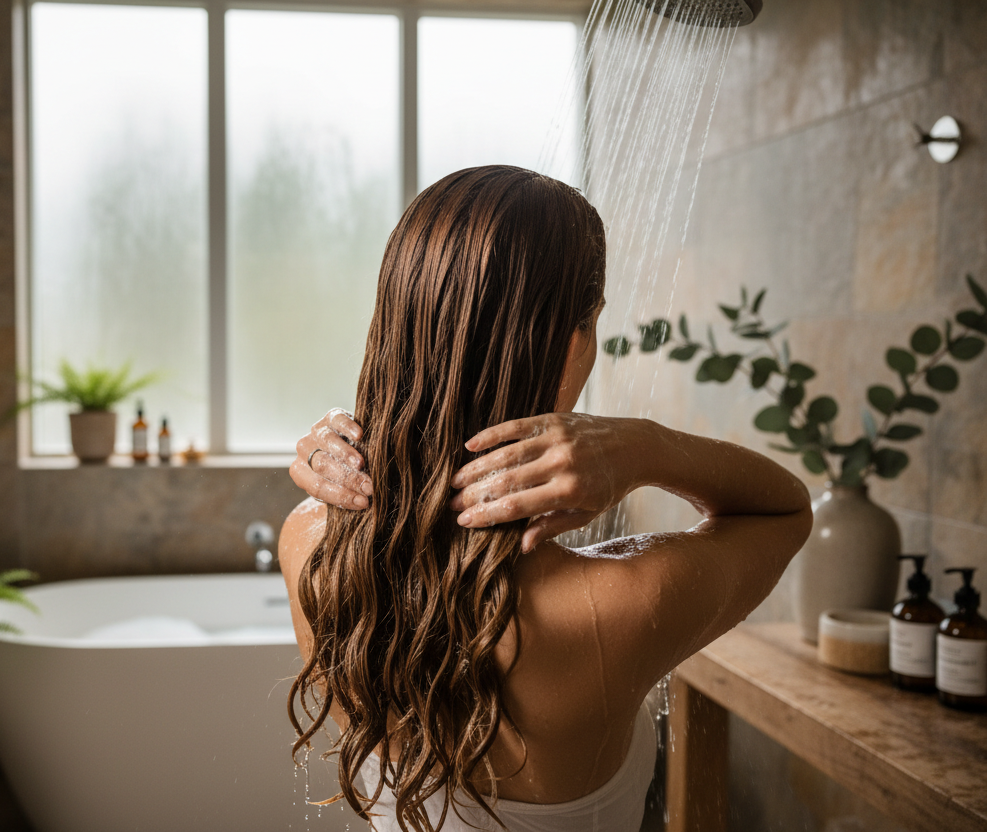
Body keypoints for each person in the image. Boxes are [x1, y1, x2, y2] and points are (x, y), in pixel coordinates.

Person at [279, 165, 812, 832]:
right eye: (592, 319)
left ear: (395, 322)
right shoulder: (613, 606)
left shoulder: (308, 545)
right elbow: (786, 510)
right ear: (570, 344)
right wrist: (648, 447)